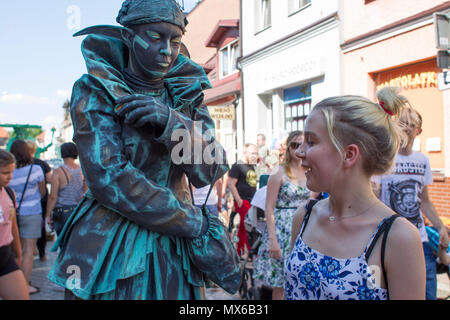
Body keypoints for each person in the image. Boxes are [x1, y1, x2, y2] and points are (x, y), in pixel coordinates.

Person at [47, 0, 239, 300]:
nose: (166, 49)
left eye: (175, 41)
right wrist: (190, 221)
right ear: (128, 36)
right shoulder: (95, 89)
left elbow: (210, 169)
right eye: (154, 36)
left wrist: (170, 122)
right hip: (112, 239)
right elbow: (108, 178)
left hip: (174, 246)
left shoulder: (186, 93)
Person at [286, 87, 426, 300]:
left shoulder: (398, 237)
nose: (299, 152)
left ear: (349, 155)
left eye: (311, 142)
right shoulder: (304, 217)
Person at [371, 105, 450, 300]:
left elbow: (425, 201)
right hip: (387, 237)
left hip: (418, 237)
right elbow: (374, 194)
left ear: (419, 131)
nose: (406, 128)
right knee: (386, 290)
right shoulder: (385, 158)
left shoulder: (422, 161)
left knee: (426, 290)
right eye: (402, 123)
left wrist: (440, 227)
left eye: (411, 124)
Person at [254, 131, 311, 300]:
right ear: (288, 148)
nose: (298, 149)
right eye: (294, 145)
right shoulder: (279, 173)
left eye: (302, 144)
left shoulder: (310, 171)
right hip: (282, 231)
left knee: (301, 281)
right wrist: (273, 240)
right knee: (281, 284)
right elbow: (269, 208)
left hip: (304, 230)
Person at [8, 139, 45, 295]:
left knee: (17, 251)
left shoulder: (8, 171)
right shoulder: (36, 169)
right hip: (32, 212)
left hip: (12, 215)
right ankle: (25, 285)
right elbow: (42, 192)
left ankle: (13, 284)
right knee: (29, 251)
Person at [0, 149, 29, 300]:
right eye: (5, 172)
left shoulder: (9, 193)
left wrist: (18, 254)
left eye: (11, 171)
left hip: (4, 256)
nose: (9, 177)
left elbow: (13, 226)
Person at [46, 142, 87, 236]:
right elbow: (85, 192)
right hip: (78, 211)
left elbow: (53, 196)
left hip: (62, 213)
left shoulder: (58, 172)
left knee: (63, 243)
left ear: (62, 153)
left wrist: (47, 215)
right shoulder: (82, 170)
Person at [228, 143, 258, 257]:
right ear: (245, 152)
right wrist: (238, 200)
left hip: (252, 200)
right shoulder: (238, 165)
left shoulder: (251, 165)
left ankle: (240, 251)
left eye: (256, 153)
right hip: (243, 200)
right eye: (252, 153)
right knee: (248, 226)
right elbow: (230, 183)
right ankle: (249, 251)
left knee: (243, 226)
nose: (254, 155)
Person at [26, 139, 52, 262]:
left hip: (24, 203)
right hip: (41, 201)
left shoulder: (20, 164)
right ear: (35, 150)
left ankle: (31, 250)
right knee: (41, 227)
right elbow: (50, 180)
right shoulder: (41, 164)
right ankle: (42, 254)